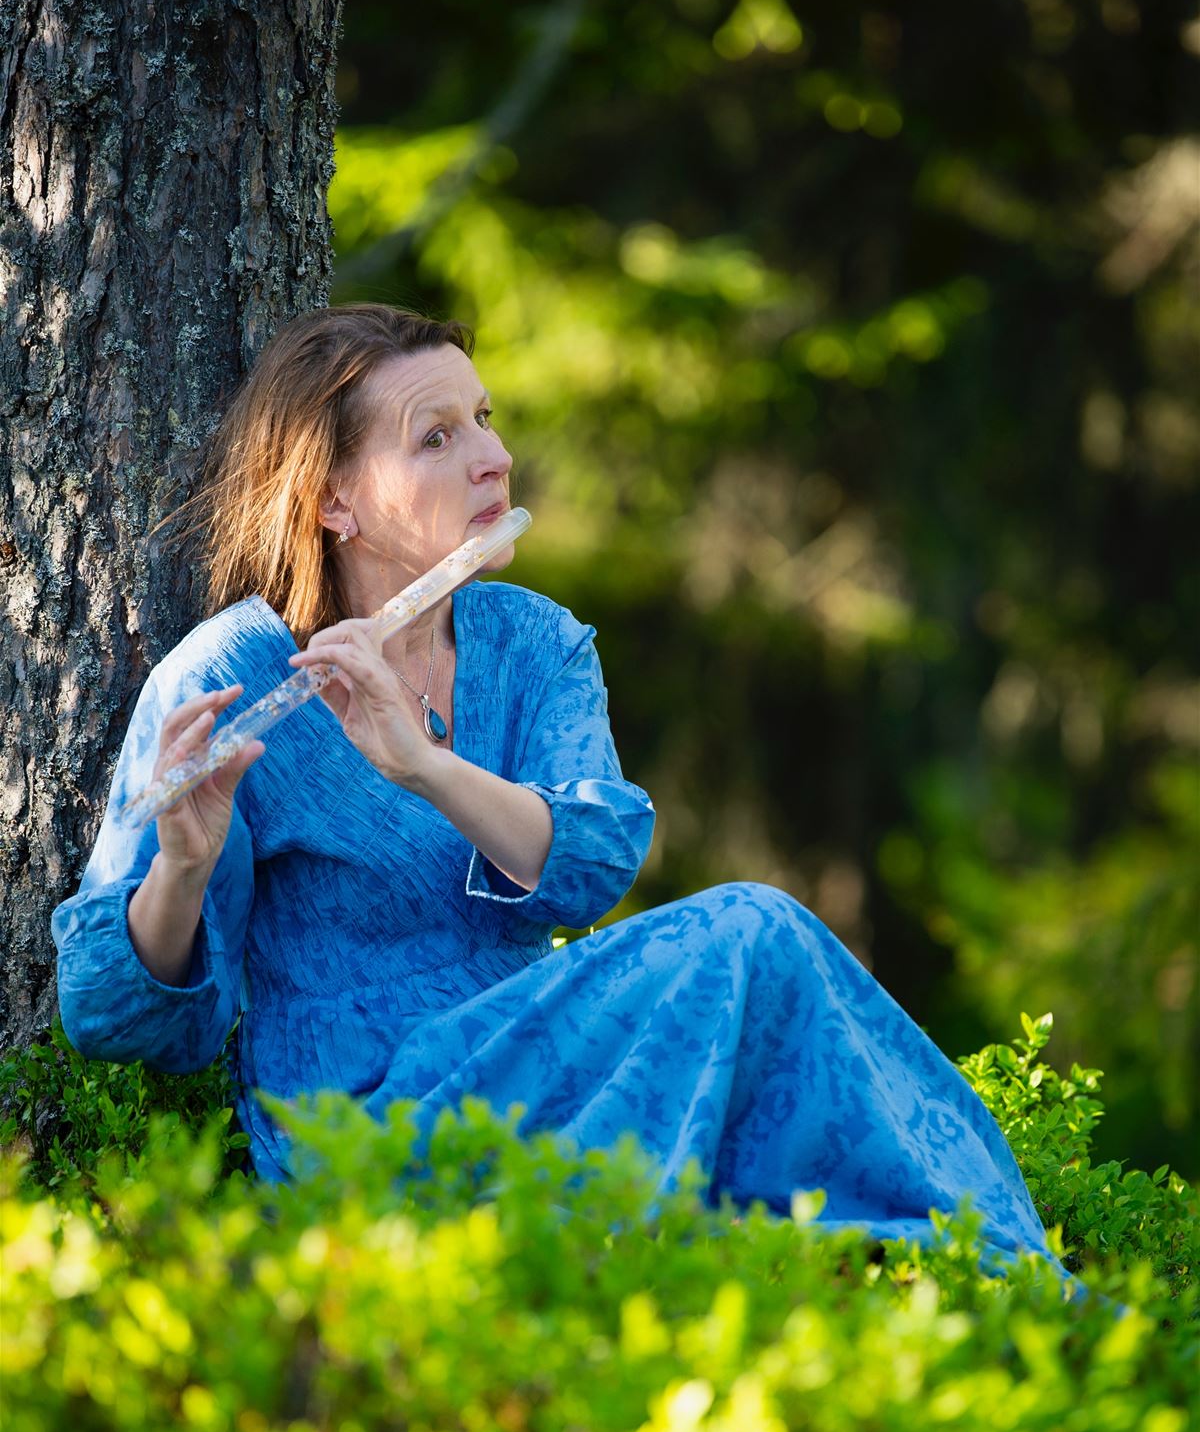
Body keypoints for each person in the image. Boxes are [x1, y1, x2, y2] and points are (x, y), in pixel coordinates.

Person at [51, 303, 1083, 1300]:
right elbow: (110, 1014)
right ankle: (972, 1272)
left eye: (486, 421)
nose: (492, 458)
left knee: (770, 955)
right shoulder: (233, 671)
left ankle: (984, 1270)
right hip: (366, 1131)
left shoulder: (532, 641)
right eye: (437, 437)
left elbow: (590, 867)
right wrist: (183, 867)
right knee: (753, 926)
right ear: (334, 501)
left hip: (543, 1068)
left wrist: (426, 767)